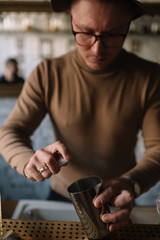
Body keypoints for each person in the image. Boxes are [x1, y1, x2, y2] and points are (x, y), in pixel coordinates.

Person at [0, 0, 160, 232]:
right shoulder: (47, 74)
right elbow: (11, 131)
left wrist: (131, 183)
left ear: (128, 26)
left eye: (113, 34)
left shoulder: (151, 77)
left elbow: (158, 148)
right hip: (60, 197)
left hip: (118, 200)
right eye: (85, 33)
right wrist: (28, 161)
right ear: (71, 22)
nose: (97, 49)